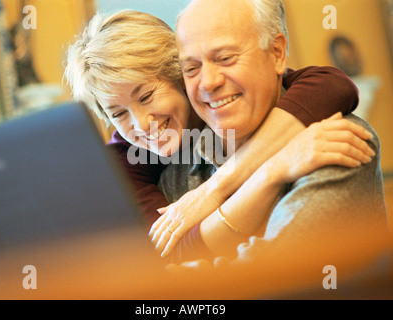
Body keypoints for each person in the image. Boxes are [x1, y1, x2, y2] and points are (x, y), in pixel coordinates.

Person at [64, 8, 378, 263]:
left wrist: (219, 188)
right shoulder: (144, 166)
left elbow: (331, 84)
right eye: (118, 114)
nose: (142, 124)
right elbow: (171, 250)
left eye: (146, 96)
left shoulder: (330, 139)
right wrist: (269, 172)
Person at [152, 0, 388, 262]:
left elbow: (272, 276)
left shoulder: (337, 142)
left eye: (225, 58)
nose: (208, 82)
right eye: (191, 69)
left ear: (277, 53)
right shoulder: (176, 171)